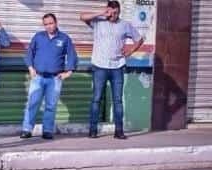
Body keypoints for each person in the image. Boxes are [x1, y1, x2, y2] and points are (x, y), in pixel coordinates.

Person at [80, 1, 144, 139]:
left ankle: (119, 131)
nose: (113, 15)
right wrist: (102, 13)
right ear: (107, 10)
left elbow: (139, 39)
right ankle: (93, 130)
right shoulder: (98, 21)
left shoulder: (125, 25)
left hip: (117, 67)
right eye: (111, 12)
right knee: (96, 99)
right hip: (99, 66)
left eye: (116, 13)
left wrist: (131, 50)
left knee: (118, 100)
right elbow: (82, 17)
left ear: (119, 12)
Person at [20, 13, 77, 140]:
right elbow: (29, 53)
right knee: (32, 103)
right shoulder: (38, 37)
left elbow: (72, 56)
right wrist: (30, 68)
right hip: (38, 77)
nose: (49, 26)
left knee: (51, 105)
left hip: (55, 78)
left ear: (56, 23)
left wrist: (68, 72)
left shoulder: (64, 38)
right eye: (46, 24)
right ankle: (27, 129)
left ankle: (47, 130)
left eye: (51, 23)